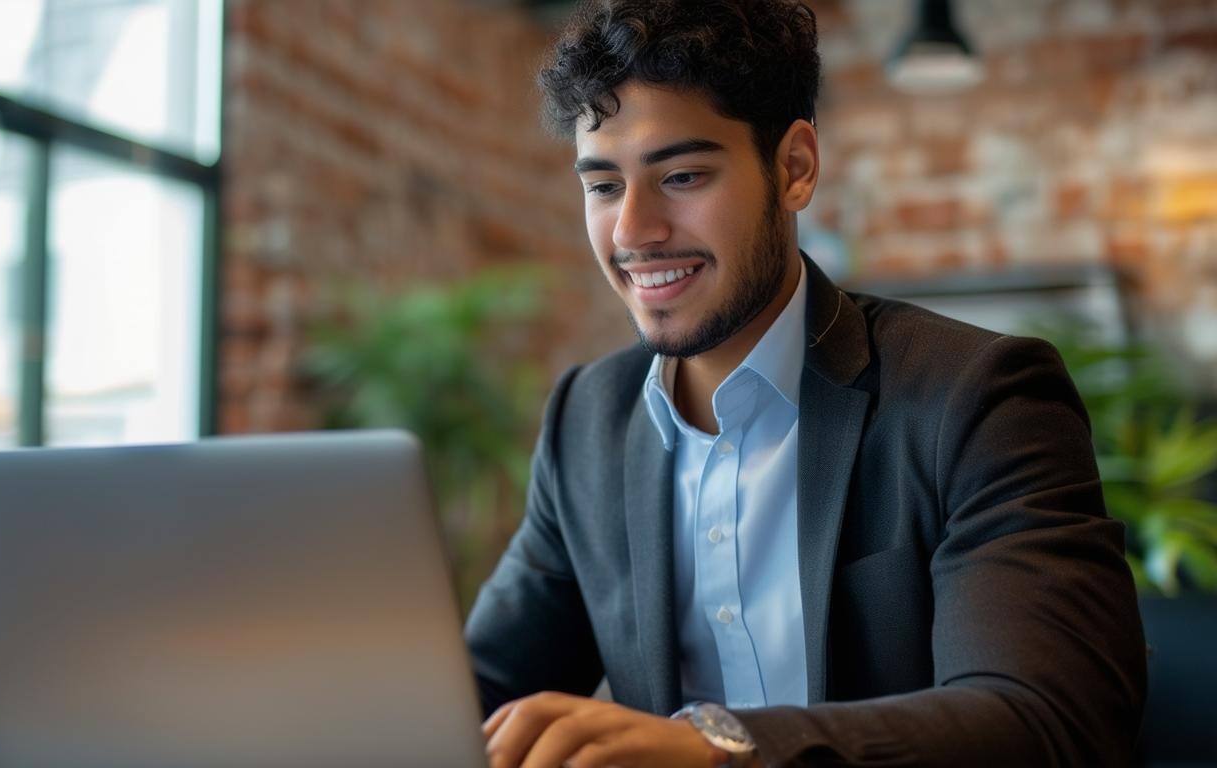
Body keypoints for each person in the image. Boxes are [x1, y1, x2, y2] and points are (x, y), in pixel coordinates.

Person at [463, 1, 1148, 766]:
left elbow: (1050, 721)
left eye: (682, 175)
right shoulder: (587, 420)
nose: (632, 232)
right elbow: (469, 696)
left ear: (794, 168)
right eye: (603, 186)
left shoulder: (979, 399)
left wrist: (719, 751)